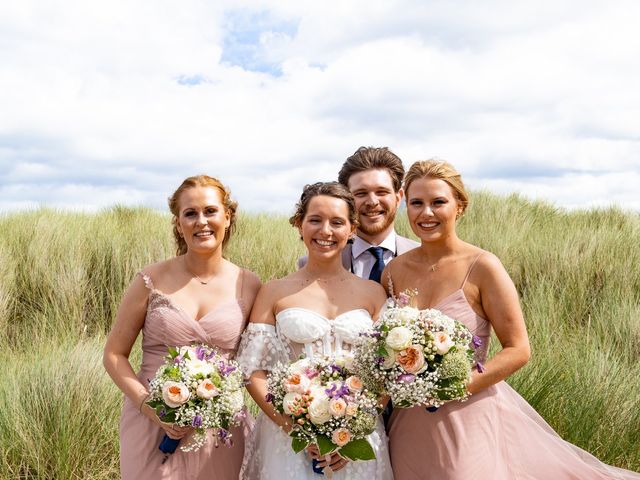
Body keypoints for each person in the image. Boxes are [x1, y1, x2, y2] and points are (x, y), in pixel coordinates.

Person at [384, 160, 640, 480]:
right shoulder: (393, 271)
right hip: (409, 422)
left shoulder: (483, 266)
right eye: (417, 203)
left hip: (468, 415)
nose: (426, 213)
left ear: (460, 206)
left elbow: (518, 348)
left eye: (438, 202)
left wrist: (457, 386)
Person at [103, 175, 261, 480]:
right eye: (190, 214)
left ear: (227, 217)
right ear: (178, 223)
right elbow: (114, 355)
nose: (201, 221)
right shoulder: (150, 280)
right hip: (151, 422)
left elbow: (257, 363)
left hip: (220, 428)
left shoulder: (250, 284)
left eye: (210, 211)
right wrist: (149, 406)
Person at [236, 182, 394, 479]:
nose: (326, 231)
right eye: (315, 220)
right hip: (290, 442)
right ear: (299, 225)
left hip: (359, 439)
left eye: (337, 222)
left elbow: (386, 371)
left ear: (351, 229)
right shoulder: (273, 292)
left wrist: (353, 431)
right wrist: (296, 430)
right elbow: (253, 372)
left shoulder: (373, 293)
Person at [299, 146, 419, 279]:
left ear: (398, 197)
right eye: (361, 193)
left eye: (381, 192)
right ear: (346, 200)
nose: (372, 202)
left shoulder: (425, 258)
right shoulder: (309, 264)